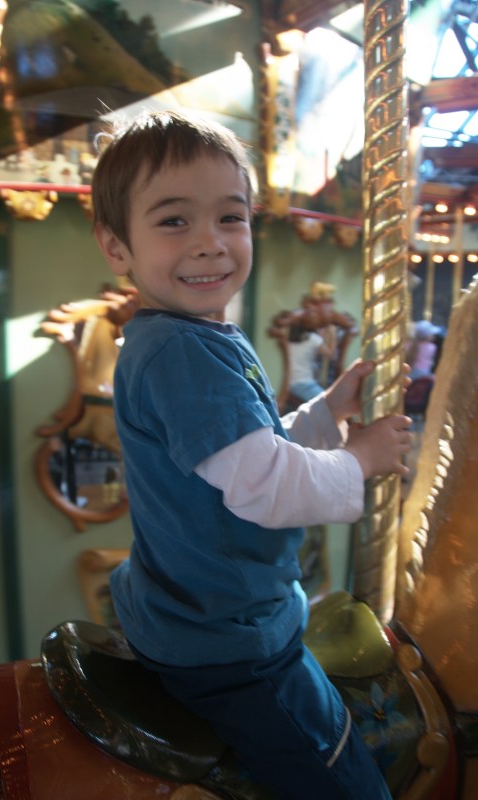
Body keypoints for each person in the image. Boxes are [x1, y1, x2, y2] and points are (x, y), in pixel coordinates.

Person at [91, 109, 411, 800]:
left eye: (229, 218)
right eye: (174, 221)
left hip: (189, 612)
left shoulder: (186, 337)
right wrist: (359, 459)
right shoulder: (181, 351)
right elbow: (263, 487)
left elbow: (245, 455)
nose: (209, 243)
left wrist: (325, 416)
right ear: (116, 248)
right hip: (232, 646)